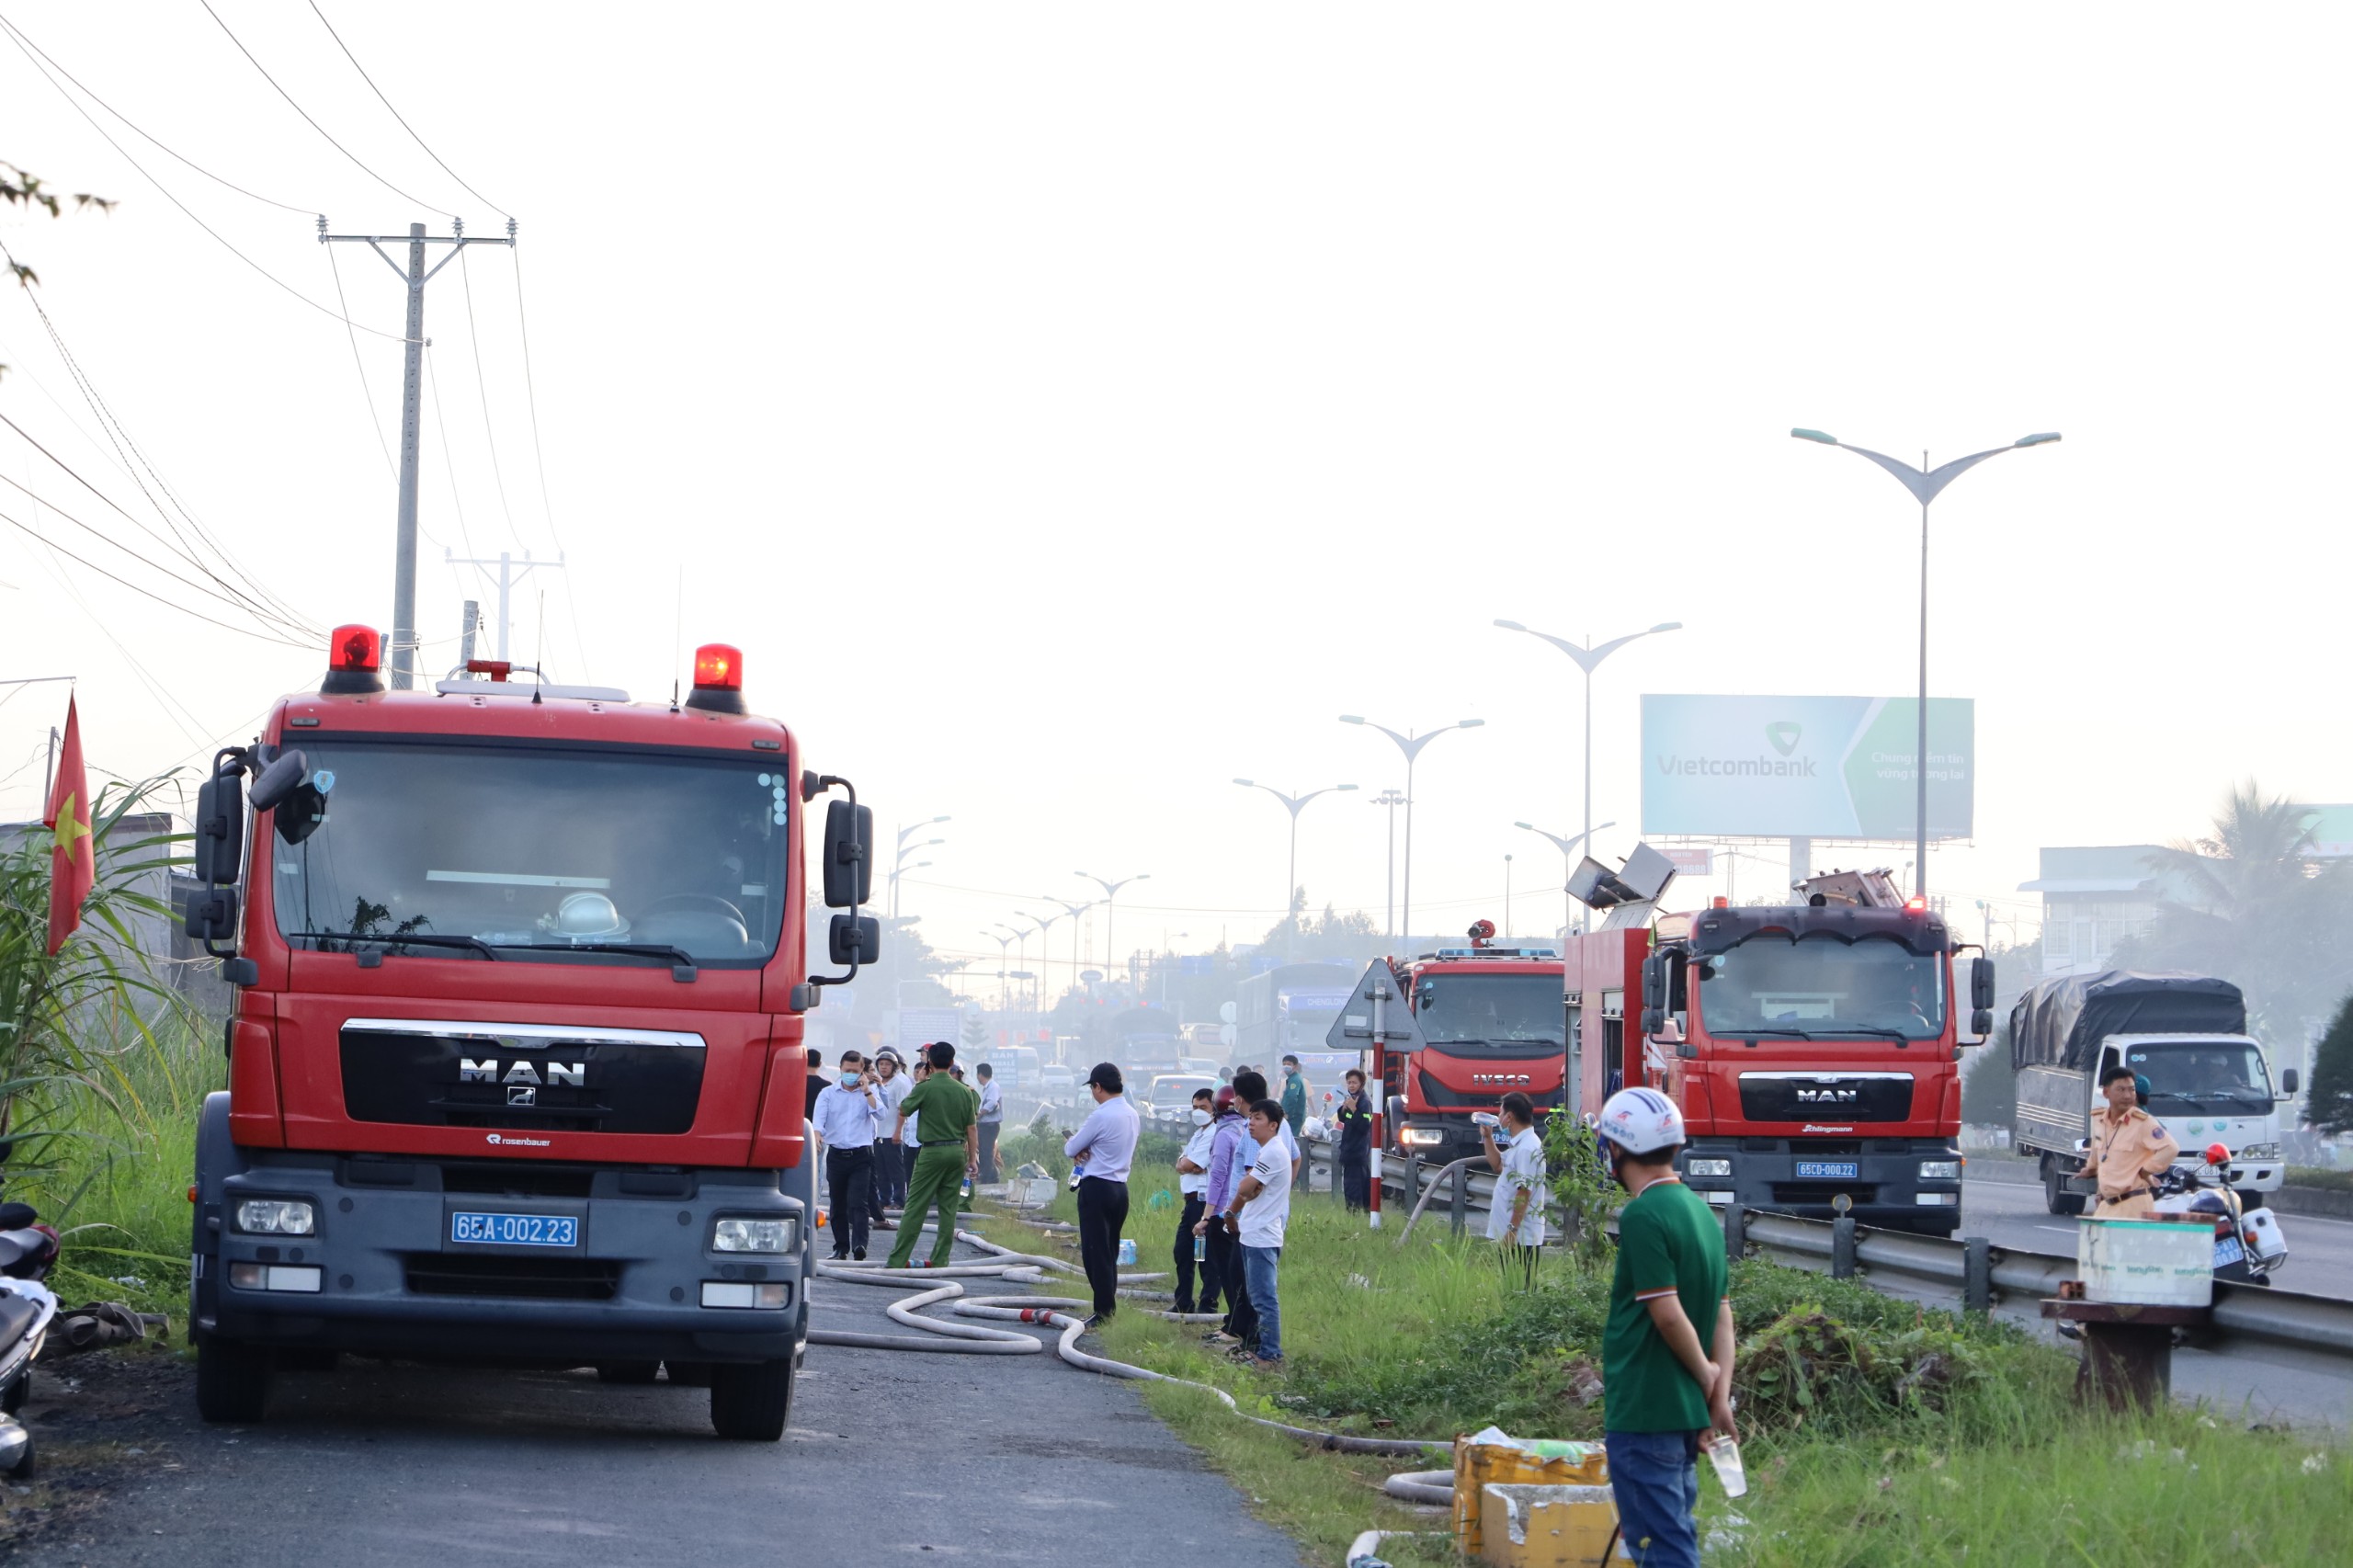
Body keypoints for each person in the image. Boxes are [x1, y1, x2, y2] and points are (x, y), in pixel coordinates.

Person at [1596, 1087, 1735, 1568]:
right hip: (1683, 1417)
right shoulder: (1700, 1213)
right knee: (1677, 1533)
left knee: (1662, 1549)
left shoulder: (1642, 1215)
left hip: (1644, 1410)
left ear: (1614, 1149)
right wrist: (1716, 1395)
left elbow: (1666, 1311)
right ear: (1675, 1146)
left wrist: (1704, 1374)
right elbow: (1721, 1316)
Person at [886, 1041, 982, 1270]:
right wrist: (972, 1159)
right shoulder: (964, 1091)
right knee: (948, 1209)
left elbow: (904, 1109)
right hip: (956, 1152)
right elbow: (971, 1127)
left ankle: (898, 1260)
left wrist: (920, 1083)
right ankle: (940, 1260)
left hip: (931, 1152)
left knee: (915, 1206)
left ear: (929, 1062)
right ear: (951, 1063)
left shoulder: (925, 1087)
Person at [1063, 1063, 1141, 1326]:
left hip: (1097, 1186)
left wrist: (1075, 1146)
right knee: (1109, 1250)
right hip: (1120, 1188)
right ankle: (1107, 1306)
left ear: (1098, 1087)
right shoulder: (1132, 1113)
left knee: (1094, 1252)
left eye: (1093, 1088)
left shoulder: (1101, 1114)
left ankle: (1104, 1310)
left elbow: (1072, 1147)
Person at [1233, 1097, 1294, 1365]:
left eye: (1257, 1118)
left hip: (1262, 1235)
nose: (1251, 1123)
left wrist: (1249, 1187)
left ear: (1273, 1125)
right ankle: (1260, 1349)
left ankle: (1271, 1355)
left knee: (1264, 1299)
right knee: (1256, 1297)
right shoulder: (1266, 1150)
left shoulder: (1273, 1151)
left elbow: (1245, 1189)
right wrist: (1250, 1187)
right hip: (1253, 1232)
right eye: (1251, 1117)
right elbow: (1249, 1188)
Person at [2075, 1063, 2178, 1219]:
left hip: (2133, 1203)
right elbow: (2099, 1155)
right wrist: (2090, 1170)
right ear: (2106, 1093)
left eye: (2132, 1090)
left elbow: (2171, 1148)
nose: (2128, 1096)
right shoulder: (2099, 1120)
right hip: (2107, 1205)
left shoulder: (2143, 1122)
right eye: (2121, 1090)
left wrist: (2146, 1171)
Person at [810, 1051, 881, 1261]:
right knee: (838, 1203)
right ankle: (841, 1247)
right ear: (840, 1069)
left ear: (862, 1071)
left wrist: (867, 1091)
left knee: (858, 1202)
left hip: (861, 1156)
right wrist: (816, 1136)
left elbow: (881, 1114)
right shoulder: (828, 1093)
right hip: (837, 1155)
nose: (850, 1074)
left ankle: (860, 1245)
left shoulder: (869, 1093)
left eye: (855, 1071)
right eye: (847, 1070)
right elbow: (818, 1121)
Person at [1198, 1086, 1251, 1345]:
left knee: (1228, 1275)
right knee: (1238, 1275)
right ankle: (1233, 1322)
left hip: (1222, 1214)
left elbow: (1217, 1178)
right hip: (1240, 1210)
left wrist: (1206, 1216)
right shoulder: (1246, 1129)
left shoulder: (1223, 1135)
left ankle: (1234, 1327)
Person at [1482, 1091, 1549, 1288]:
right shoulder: (1519, 1145)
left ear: (1509, 1117)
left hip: (1521, 1237)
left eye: (1501, 1113)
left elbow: (1524, 1191)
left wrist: (1512, 1231)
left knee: (1521, 1288)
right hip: (1513, 1235)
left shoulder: (1527, 1148)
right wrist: (1487, 1137)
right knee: (1513, 1286)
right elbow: (1498, 1165)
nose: (1498, 1117)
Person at [1173, 1086, 1221, 1314]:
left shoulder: (1214, 1133)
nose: (1198, 1112)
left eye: (1203, 1107)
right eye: (1194, 1107)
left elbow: (1192, 1164)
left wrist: (1188, 1165)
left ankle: (1208, 1303)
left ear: (1214, 1107)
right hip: (1190, 1202)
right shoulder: (1198, 1134)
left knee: (1205, 1256)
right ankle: (1183, 1302)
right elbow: (1181, 1162)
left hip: (1203, 1203)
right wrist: (1187, 1164)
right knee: (1182, 1251)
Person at [869, 1050, 911, 1226]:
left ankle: (899, 1199)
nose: (884, 1067)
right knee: (880, 1170)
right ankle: (884, 1198)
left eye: (887, 1064)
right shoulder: (874, 1084)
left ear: (894, 1067)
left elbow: (903, 1109)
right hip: (877, 1134)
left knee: (896, 1169)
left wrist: (898, 1132)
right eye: (881, 1064)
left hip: (892, 1133)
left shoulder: (899, 1083)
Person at [1335, 1068, 1372, 1211]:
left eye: (1354, 1082)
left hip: (1357, 1152)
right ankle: (1361, 1213)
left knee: (1354, 1188)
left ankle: (1355, 1215)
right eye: (1349, 1082)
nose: (1351, 1085)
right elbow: (1344, 1119)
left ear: (1361, 1083)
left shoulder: (1364, 1102)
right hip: (1350, 1150)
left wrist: (1354, 1110)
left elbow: (1364, 1126)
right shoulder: (1352, 1099)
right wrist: (1344, 1109)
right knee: (1358, 1186)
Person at [975, 1062, 1004, 1184]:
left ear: (981, 1074)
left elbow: (992, 1103)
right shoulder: (988, 1088)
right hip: (984, 1125)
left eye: (978, 1074)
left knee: (986, 1153)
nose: (977, 1077)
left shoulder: (993, 1087)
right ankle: (992, 1177)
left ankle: (986, 1180)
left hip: (989, 1126)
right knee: (983, 1152)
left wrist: (980, 1113)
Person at [1279, 1055, 1308, 1134]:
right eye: (1284, 1064)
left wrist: (1287, 1113)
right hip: (1291, 1117)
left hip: (1293, 1117)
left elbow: (1292, 1097)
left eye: (1288, 1064)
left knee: (1292, 1138)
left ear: (1295, 1066)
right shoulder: (1292, 1078)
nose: (1285, 1066)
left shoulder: (1295, 1079)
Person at [803, 1046, 830, 1122]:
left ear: (804, 1061)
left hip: (796, 1126)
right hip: (818, 1128)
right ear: (819, 1064)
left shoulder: (795, 1084)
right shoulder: (827, 1086)